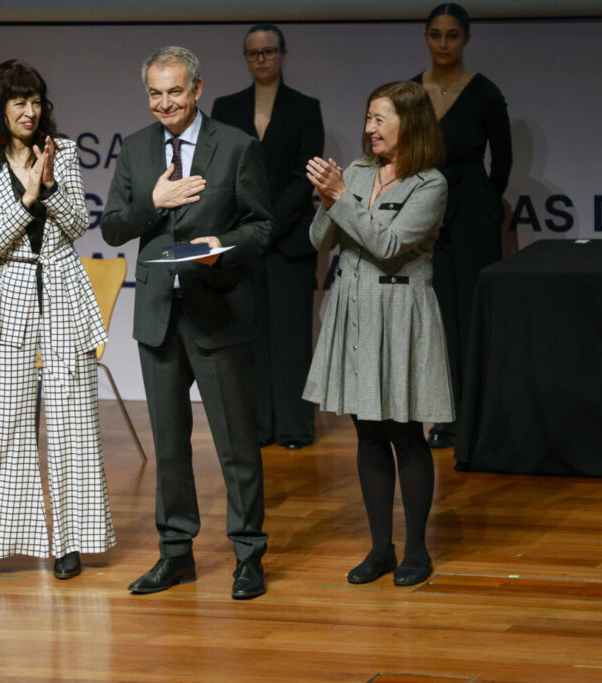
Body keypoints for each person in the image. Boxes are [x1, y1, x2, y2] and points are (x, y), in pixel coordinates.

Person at [101, 46, 279, 600]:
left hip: (218, 312)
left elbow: (262, 226)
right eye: (155, 93)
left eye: (174, 91)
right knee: (170, 445)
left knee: (235, 444)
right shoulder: (134, 150)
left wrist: (220, 247)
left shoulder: (237, 147)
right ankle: (175, 553)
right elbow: (111, 228)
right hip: (159, 317)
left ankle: (249, 555)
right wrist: (153, 202)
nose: (164, 103)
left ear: (197, 90)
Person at [0, 59, 114, 582]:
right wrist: (26, 196)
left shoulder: (62, 151)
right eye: (19, 102)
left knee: (73, 421)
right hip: (11, 298)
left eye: (36, 102)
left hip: (63, 289)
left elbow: (77, 224)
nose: (30, 112)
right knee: (5, 423)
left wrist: (47, 186)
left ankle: (69, 542)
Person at [303, 81, 452, 587]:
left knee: (404, 432)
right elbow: (319, 240)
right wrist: (327, 200)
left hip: (400, 313)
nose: (368, 129)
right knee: (366, 430)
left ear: (409, 123)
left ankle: (416, 550)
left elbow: (388, 244)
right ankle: (379, 549)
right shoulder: (360, 173)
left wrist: (343, 198)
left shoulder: (430, 184)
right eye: (367, 118)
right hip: (354, 308)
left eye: (379, 119)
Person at [211, 22, 324, 450]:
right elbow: (220, 174)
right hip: (242, 241)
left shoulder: (305, 107)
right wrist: (248, 230)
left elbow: (305, 175)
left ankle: (295, 427)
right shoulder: (226, 107)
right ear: (246, 58)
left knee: (293, 337)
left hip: (290, 239)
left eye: (269, 51)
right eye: (254, 53)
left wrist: (269, 225)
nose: (262, 59)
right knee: (249, 337)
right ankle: (256, 428)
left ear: (283, 55)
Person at [413, 3, 512, 449]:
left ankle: (479, 418)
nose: (444, 43)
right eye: (436, 35)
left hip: (472, 214)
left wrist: (484, 202)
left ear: (466, 39)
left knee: (472, 316)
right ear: (427, 38)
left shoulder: (485, 92)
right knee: (437, 321)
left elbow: (503, 159)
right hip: (425, 214)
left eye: (453, 35)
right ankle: (447, 419)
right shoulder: (411, 91)